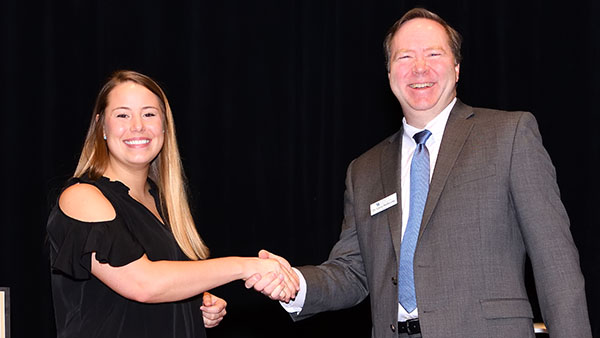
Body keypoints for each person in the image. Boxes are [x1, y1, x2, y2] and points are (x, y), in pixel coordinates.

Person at [246, 8, 592, 338]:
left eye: (434, 55)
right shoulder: (364, 170)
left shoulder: (509, 135)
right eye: (405, 57)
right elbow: (353, 273)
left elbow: (555, 263)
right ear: (389, 74)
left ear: (456, 68)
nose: (420, 68)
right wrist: (293, 282)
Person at [46, 70, 299, 338]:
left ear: (165, 126)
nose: (137, 126)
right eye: (122, 115)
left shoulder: (162, 203)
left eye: (149, 114)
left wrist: (194, 302)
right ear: (101, 127)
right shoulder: (82, 197)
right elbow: (144, 283)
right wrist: (245, 266)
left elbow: (146, 291)